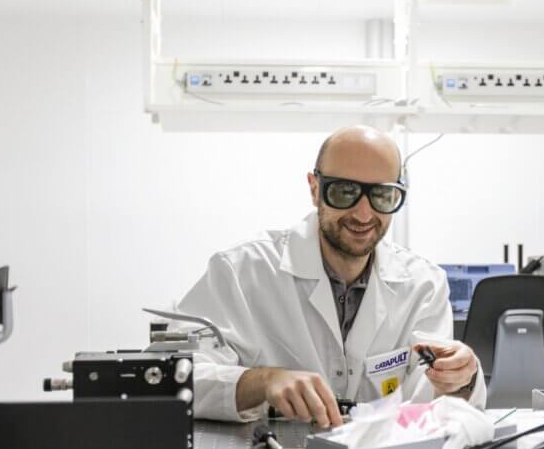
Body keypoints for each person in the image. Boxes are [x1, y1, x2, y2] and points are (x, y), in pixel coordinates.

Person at [178, 125, 486, 426]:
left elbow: (432, 404)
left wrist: (460, 379)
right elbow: (171, 376)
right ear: (315, 188)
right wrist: (261, 381)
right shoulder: (242, 271)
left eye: (382, 195)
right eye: (345, 192)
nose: (364, 215)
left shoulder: (423, 284)